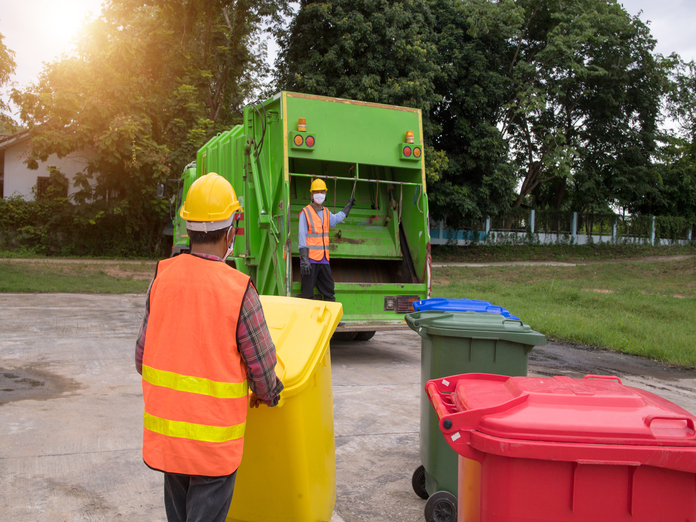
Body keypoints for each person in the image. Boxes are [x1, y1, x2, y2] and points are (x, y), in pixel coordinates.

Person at [135, 172, 283, 522]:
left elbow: (142, 357)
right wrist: (271, 394)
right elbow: (262, 371)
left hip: (170, 440)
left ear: (186, 227)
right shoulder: (239, 290)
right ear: (232, 230)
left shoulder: (162, 277)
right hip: (214, 447)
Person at [298, 178, 355, 301]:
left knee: (329, 291)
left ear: (325, 194)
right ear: (311, 194)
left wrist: (348, 207)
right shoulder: (305, 212)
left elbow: (336, 219)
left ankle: (332, 320)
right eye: (317, 192)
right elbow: (302, 236)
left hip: (323, 260)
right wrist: (304, 259)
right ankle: (307, 320)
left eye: (322, 192)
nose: (320, 194)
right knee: (307, 294)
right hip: (310, 260)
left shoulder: (326, 212)